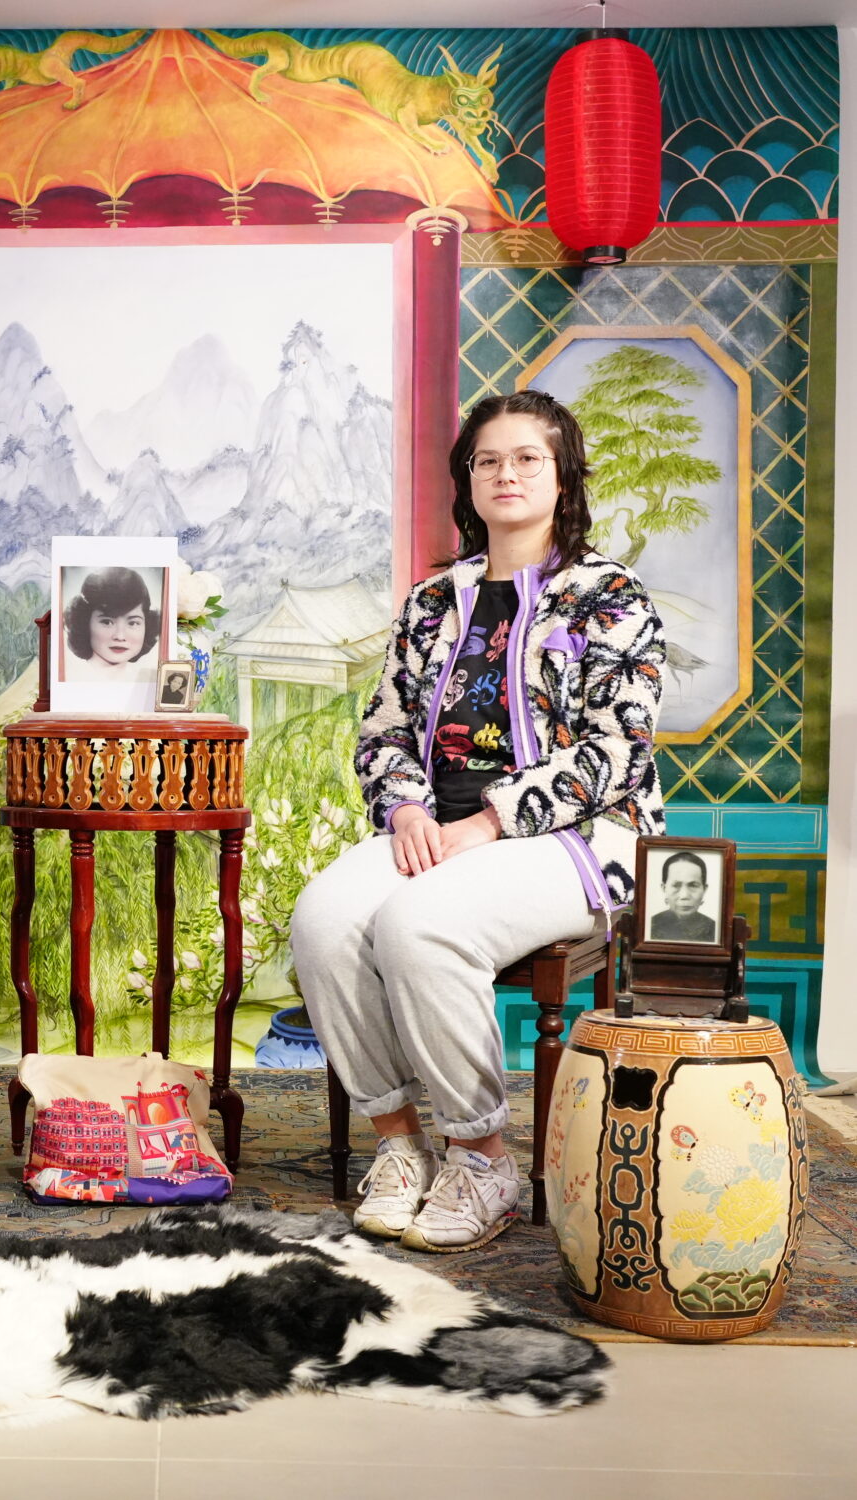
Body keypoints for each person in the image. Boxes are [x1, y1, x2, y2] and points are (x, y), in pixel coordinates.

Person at [290, 390, 665, 1253]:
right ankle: (400, 1146)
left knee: (420, 924)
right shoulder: (433, 600)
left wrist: (492, 821)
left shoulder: (609, 595)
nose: (507, 474)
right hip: (436, 826)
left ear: (563, 476)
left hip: (574, 837)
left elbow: (620, 749)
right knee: (324, 919)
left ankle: (482, 1157)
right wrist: (405, 806)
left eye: (528, 458)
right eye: (487, 460)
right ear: (467, 479)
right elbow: (384, 729)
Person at [62, 567, 161, 682]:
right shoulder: (70, 678)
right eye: (107, 622)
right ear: (85, 623)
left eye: (133, 623)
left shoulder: (151, 680)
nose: (120, 636)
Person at [650, 851, 716, 942]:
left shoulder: (715, 930)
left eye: (693, 885)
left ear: (704, 889)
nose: (684, 896)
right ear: (664, 888)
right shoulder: (649, 926)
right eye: (676, 885)